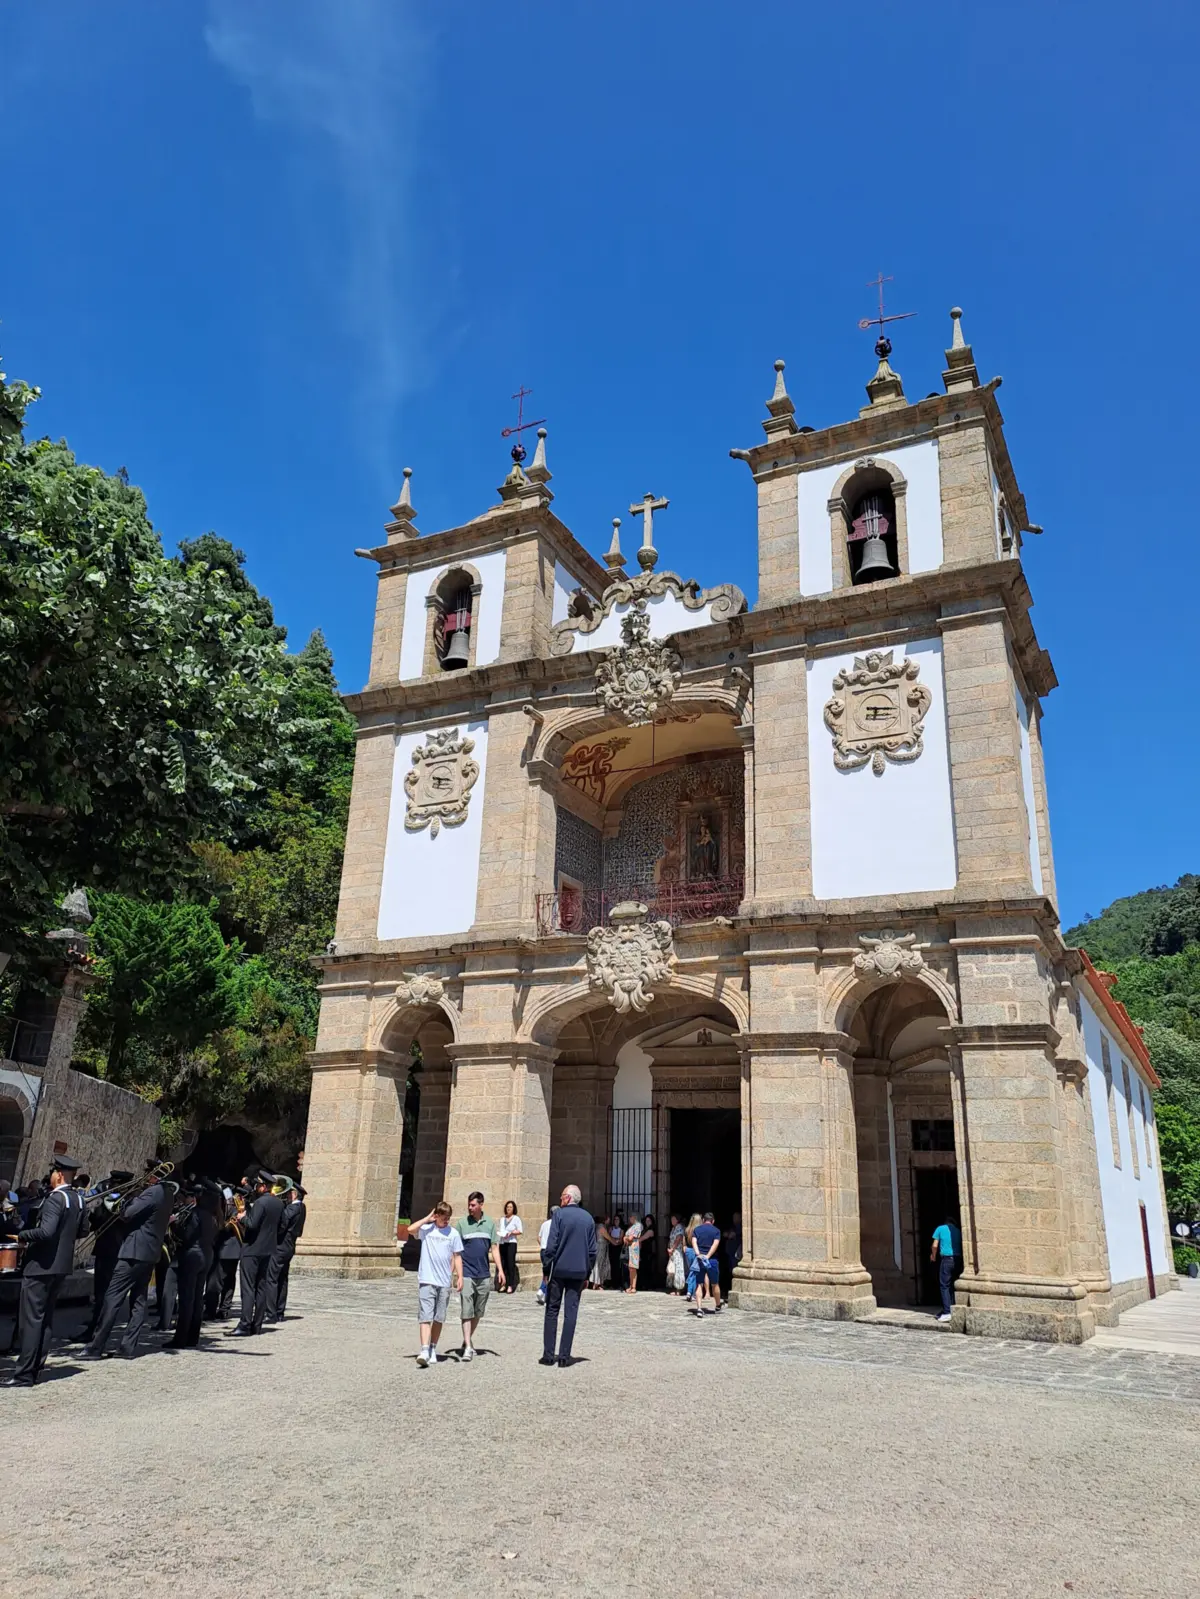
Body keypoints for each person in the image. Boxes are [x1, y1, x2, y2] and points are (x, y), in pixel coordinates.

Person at [7, 1157, 87, 1387]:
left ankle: (23, 1374)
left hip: (41, 1266)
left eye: (53, 1172)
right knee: (45, 1319)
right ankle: (36, 1368)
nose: (50, 1176)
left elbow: (46, 1231)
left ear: (59, 1174)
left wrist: (22, 1236)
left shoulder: (55, 1199)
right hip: (61, 1266)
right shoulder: (78, 1199)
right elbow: (82, 1230)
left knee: (31, 1320)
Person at [83, 1165, 172, 1360]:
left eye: (148, 1173)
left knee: (112, 1297)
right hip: (150, 1253)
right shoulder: (167, 1194)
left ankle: (96, 1347)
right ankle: (127, 1348)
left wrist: (119, 1200)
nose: (145, 1177)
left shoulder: (151, 1193)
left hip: (134, 1252)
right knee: (139, 1301)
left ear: (153, 1176)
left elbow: (126, 1214)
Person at [539, 1185, 597, 1368]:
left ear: (567, 1198)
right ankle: (564, 1356)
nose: (560, 1199)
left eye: (562, 1196)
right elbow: (592, 1251)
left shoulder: (559, 1215)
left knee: (552, 1310)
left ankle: (548, 1355)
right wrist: (587, 1272)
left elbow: (551, 1246)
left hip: (558, 1271)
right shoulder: (588, 1219)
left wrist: (546, 1270)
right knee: (571, 1313)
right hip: (578, 1272)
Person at [227, 1171, 283, 1337]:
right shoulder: (278, 1203)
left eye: (258, 1185)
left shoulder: (261, 1203)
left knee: (248, 1288)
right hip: (268, 1250)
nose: (257, 1187)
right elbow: (280, 1227)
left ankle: (244, 1324)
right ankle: (256, 1325)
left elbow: (251, 1224)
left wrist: (241, 1216)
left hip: (252, 1249)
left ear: (263, 1186)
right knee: (261, 1287)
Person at [169, 1180, 221, 1349]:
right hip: (207, 1255)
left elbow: (187, 1236)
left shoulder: (197, 1213)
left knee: (186, 1298)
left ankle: (180, 1338)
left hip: (193, 1255)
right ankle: (193, 1336)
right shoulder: (214, 1215)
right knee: (198, 1297)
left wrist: (174, 1224)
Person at [82, 1171, 132, 1343]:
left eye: (112, 1184)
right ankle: (97, 1325)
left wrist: (97, 1209)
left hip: (110, 1250)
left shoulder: (118, 1202)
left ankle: (95, 1330)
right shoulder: (128, 1201)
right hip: (113, 1250)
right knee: (103, 1292)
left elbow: (97, 1221)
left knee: (103, 1292)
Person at [411, 1200, 462, 1366]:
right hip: (427, 1279)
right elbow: (411, 1229)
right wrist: (427, 1218)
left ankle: (433, 1347)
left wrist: (459, 1276)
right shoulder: (426, 1230)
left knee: (439, 1317)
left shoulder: (453, 1234)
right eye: (444, 1217)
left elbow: (457, 1256)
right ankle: (424, 1350)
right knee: (425, 1316)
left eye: (448, 1217)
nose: (446, 1220)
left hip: (444, 1281)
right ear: (437, 1216)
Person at [457, 1190, 504, 1360]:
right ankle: (468, 1346)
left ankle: (466, 1339)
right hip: (467, 1272)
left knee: (478, 1311)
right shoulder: (462, 1224)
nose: (470, 1208)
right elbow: (456, 1252)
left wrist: (500, 1270)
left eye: (473, 1205)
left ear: (481, 1205)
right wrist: (455, 1274)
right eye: (469, 1204)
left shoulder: (489, 1224)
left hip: (483, 1273)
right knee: (466, 1309)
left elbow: (494, 1248)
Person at [266, 1182, 306, 1322]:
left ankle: (271, 1313)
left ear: (294, 1194)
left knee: (272, 1279)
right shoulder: (302, 1207)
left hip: (280, 1247)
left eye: (289, 1193)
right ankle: (279, 1311)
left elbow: (282, 1227)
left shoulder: (291, 1209)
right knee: (282, 1279)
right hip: (289, 1246)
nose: (287, 1195)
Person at [205, 1188, 244, 1320]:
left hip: (225, 1250)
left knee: (215, 1282)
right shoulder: (237, 1205)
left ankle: (211, 1310)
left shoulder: (230, 1208)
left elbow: (223, 1228)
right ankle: (224, 1309)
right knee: (229, 1281)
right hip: (233, 1251)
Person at [687, 1211, 722, 1316]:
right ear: (713, 1221)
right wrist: (708, 1256)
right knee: (715, 1284)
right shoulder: (716, 1231)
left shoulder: (697, 1230)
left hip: (699, 1259)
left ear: (703, 1220)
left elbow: (694, 1242)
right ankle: (717, 1304)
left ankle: (699, 1308)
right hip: (712, 1260)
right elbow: (715, 1245)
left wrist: (699, 1254)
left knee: (699, 1284)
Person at [931, 1213, 963, 1322]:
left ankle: (947, 1312)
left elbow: (935, 1245)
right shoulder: (958, 1231)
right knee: (953, 1284)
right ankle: (953, 1307)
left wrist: (933, 1256)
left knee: (944, 1285)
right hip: (958, 1259)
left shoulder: (940, 1228)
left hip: (947, 1259)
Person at [496, 1200, 522, 1294]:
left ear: (513, 1208)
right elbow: (501, 1229)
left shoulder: (516, 1219)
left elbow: (520, 1231)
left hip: (511, 1242)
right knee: (502, 1264)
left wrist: (511, 1233)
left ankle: (510, 1285)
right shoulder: (502, 1219)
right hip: (503, 1242)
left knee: (510, 1264)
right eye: (507, 1207)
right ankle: (503, 1284)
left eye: (510, 1207)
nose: (508, 1209)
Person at [536, 1208, 556, 1305]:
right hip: (551, 1251)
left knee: (546, 1272)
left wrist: (543, 1244)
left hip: (543, 1250)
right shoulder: (556, 1224)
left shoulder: (544, 1224)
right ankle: (543, 1290)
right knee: (551, 1274)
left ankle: (543, 1292)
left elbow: (538, 1237)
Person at [588, 1213, 611, 1290]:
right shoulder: (601, 1227)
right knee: (599, 1264)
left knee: (598, 1264)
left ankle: (596, 1282)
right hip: (601, 1247)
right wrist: (615, 1242)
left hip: (599, 1246)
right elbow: (607, 1237)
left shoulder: (596, 1226)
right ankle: (596, 1283)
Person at [665, 1215, 686, 1294]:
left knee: (678, 1269)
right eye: (671, 1219)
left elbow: (678, 1238)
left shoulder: (679, 1227)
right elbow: (671, 1239)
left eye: (674, 1219)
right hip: (672, 1252)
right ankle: (674, 1287)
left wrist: (672, 1248)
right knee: (672, 1269)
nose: (672, 1220)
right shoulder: (673, 1228)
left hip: (677, 1251)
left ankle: (679, 1289)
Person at [623, 1212, 643, 1294]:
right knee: (630, 1268)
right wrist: (626, 1238)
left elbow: (631, 1238)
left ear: (635, 1217)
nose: (629, 1218)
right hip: (629, 1248)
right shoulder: (632, 1226)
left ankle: (633, 1286)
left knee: (633, 1268)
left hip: (634, 1248)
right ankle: (631, 1286)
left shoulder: (638, 1225)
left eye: (630, 1216)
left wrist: (626, 1238)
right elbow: (625, 1238)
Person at [609, 1212, 627, 1291]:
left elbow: (620, 1240)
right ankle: (612, 1282)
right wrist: (614, 1240)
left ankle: (618, 1283)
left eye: (617, 1219)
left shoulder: (621, 1229)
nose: (616, 1221)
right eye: (615, 1219)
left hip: (618, 1248)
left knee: (617, 1266)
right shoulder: (611, 1228)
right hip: (611, 1248)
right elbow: (608, 1237)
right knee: (612, 1265)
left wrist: (614, 1239)